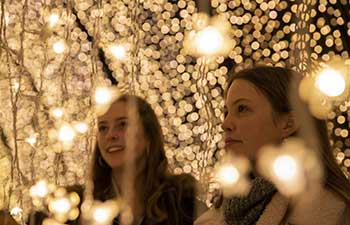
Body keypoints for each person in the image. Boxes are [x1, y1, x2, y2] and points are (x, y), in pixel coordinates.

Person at [195, 66, 350, 225]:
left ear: (289, 123)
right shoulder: (215, 215)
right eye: (226, 112)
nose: (225, 124)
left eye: (242, 108)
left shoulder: (328, 212)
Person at [90, 94, 204, 225]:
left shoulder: (181, 202)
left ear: (149, 136)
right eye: (103, 128)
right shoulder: (83, 206)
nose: (110, 135)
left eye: (122, 124)